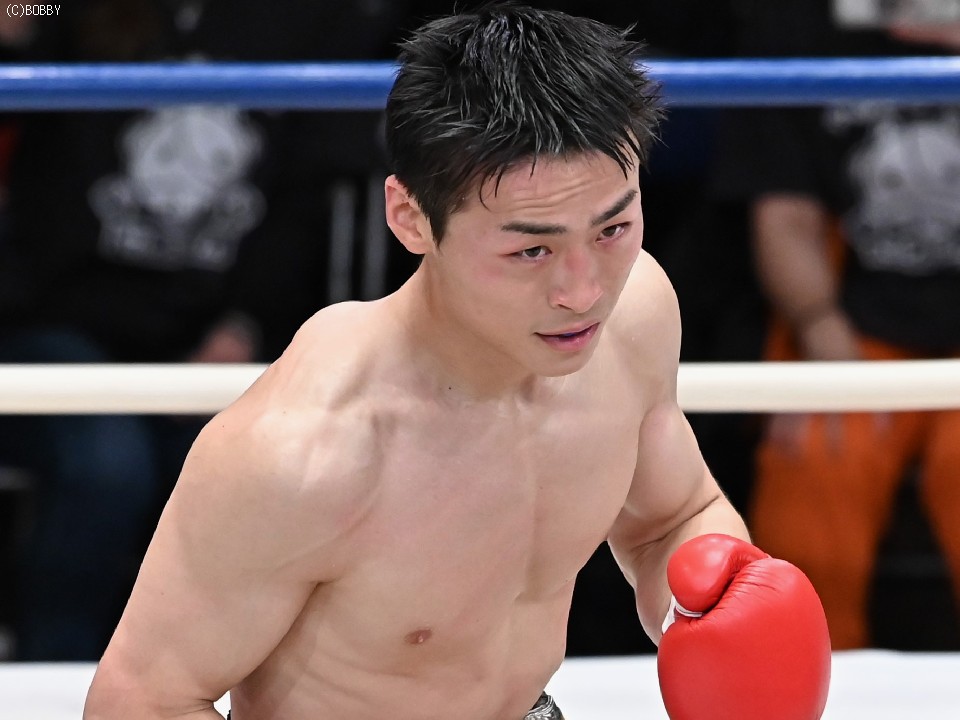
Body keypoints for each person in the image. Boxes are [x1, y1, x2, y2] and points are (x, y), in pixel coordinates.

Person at [83, 6, 831, 720]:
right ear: (411, 218)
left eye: (612, 229)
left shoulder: (634, 316)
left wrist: (712, 593)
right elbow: (141, 700)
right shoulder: (306, 453)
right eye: (530, 249)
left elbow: (673, 515)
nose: (583, 292)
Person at [0, 0, 402, 661]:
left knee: (240, 467)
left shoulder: (305, 22)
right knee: (107, 463)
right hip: (54, 317)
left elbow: (306, 197)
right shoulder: (71, 11)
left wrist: (244, 324)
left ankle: (187, 673)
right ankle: (61, 672)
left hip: (208, 326)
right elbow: (20, 27)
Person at [716, 0, 960, 650]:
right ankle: (807, 678)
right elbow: (784, 214)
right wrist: (818, 325)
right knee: (819, 467)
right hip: (846, 323)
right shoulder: (794, 24)